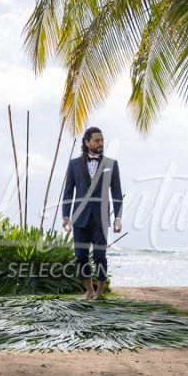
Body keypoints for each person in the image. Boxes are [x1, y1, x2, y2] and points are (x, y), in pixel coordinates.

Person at [61, 127, 123, 299]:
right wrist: (65, 216)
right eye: (96, 140)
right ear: (87, 142)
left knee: (100, 256)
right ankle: (89, 289)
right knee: (81, 256)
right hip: (79, 218)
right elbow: (68, 192)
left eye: (102, 140)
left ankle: (100, 292)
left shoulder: (111, 164)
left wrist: (118, 218)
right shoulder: (73, 164)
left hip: (101, 218)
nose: (100, 143)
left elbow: (116, 193)